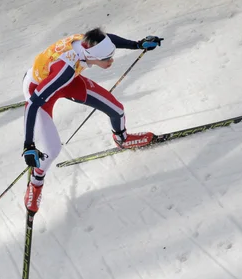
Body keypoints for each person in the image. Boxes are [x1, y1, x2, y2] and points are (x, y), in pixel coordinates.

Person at [21, 28, 163, 212]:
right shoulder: (64, 69)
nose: (111, 61)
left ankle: (123, 139)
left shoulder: (88, 43)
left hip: (67, 81)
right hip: (39, 89)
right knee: (53, 149)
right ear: (90, 55)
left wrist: (137, 44)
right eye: (106, 59)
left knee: (117, 110)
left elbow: (109, 39)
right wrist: (28, 145)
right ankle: (36, 182)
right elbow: (32, 104)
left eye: (111, 56)